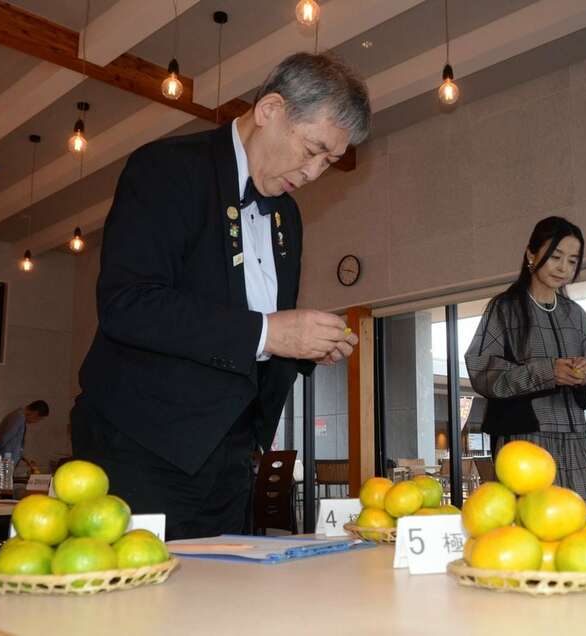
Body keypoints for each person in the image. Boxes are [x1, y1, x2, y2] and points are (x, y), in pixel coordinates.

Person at [71, 53, 369, 540]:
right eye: (313, 149)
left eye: (329, 161)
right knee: (138, 607)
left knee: (221, 608)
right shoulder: (167, 169)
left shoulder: (286, 218)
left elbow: (252, 337)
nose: (315, 173)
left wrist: (307, 346)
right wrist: (272, 331)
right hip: (143, 444)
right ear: (271, 109)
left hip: (230, 457)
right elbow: (128, 304)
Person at [464, 217, 586, 499]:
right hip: (524, 438)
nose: (563, 267)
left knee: (584, 516)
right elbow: (483, 370)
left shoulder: (576, 315)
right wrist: (547, 372)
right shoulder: (505, 309)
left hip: (574, 437)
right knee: (530, 523)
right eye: (555, 256)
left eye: (572, 260)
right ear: (531, 255)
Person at [0, 400, 49, 471]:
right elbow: (4, 439)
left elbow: (15, 443)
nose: (36, 422)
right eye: (38, 419)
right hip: (3, 464)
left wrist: (25, 458)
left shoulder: (17, 416)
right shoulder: (18, 418)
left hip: (5, 463)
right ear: (35, 413)